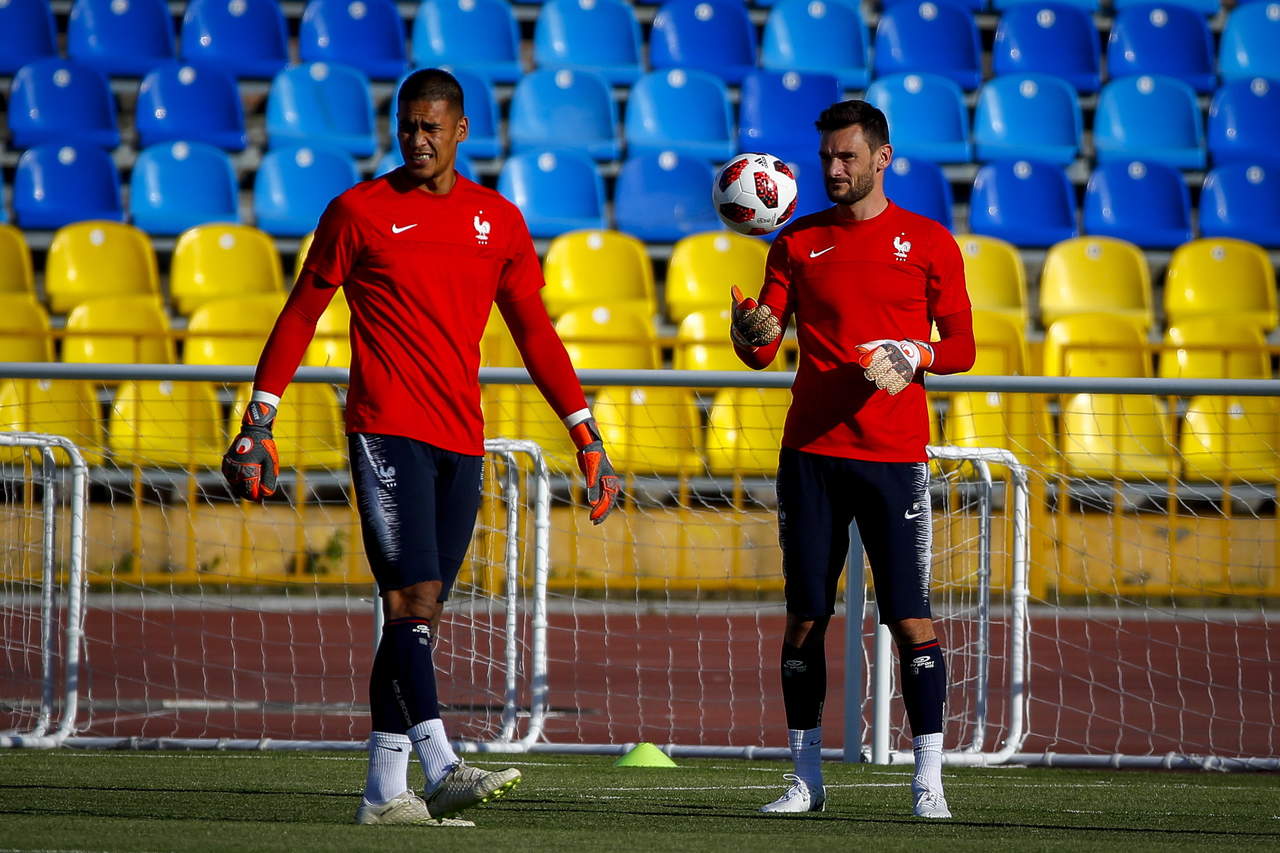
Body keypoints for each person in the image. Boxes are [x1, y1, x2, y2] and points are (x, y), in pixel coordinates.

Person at [221, 68, 621, 828]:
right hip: (384, 428)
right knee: (411, 599)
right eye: (406, 127)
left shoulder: (498, 221)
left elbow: (535, 334)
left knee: (419, 613)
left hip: (460, 438)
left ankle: (383, 793)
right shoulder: (358, 211)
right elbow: (302, 312)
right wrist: (259, 419)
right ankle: (441, 765)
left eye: (431, 127)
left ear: (461, 131)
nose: (417, 140)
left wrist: (586, 435)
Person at [730, 100, 975, 819]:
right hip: (810, 456)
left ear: (882, 158)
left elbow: (962, 347)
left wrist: (916, 352)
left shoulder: (929, 241)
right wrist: (747, 330)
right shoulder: (796, 241)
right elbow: (762, 349)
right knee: (805, 618)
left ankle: (928, 781)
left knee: (911, 619)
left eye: (847, 157)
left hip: (894, 458)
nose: (834, 169)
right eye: (826, 158)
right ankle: (806, 779)